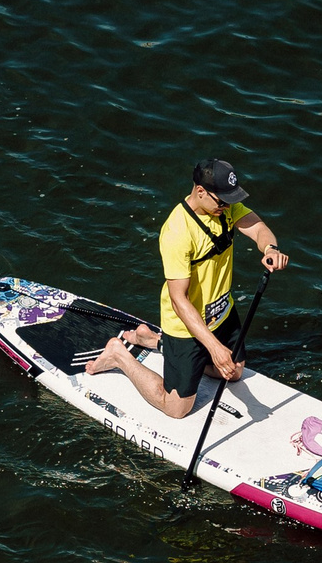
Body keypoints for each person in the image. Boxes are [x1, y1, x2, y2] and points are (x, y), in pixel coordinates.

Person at [85, 158, 288, 419]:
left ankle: (153, 341)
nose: (227, 206)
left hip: (222, 312)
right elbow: (178, 300)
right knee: (177, 408)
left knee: (234, 371)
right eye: (222, 201)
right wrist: (213, 347)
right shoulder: (177, 232)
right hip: (186, 325)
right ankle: (118, 355)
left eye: (231, 200)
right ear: (201, 191)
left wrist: (270, 249)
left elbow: (258, 228)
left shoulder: (225, 208)